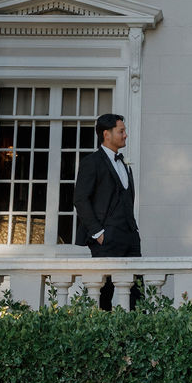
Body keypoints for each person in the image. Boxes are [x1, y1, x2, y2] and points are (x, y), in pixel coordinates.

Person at [74, 113, 141, 311]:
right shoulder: (91, 162)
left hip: (130, 238)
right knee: (104, 295)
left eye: (125, 131)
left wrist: (133, 233)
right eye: (121, 131)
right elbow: (80, 199)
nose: (125, 135)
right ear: (106, 134)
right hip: (106, 239)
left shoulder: (124, 164)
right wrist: (98, 234)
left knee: (137, 294)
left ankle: (135, 337)